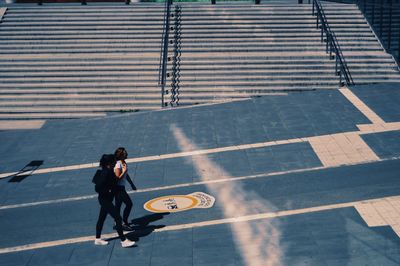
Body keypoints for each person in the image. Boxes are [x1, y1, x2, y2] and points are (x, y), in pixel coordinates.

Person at [94, 154, 135, 248]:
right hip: (105, 200)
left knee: (102, 218)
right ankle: (123, 240)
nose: (115, 163)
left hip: (105, 199)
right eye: (113, 161)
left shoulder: (107, 171)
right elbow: (101, 186)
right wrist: (123, 172)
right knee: (118, 218)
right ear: (109, 163)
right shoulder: (107, 173)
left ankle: (97, 239)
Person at [114, 147, 136, 231]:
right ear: (121, 155)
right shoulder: (118, 164)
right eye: (125, 153)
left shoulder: (123, 162)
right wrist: (123, 171)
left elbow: (126, 175)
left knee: (118, 206)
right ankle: (124, 222)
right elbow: (117, 178)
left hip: (121, 187)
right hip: (118, 189)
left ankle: (117, 222)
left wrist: (132, 184)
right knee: (129, 204)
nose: (127, 154)